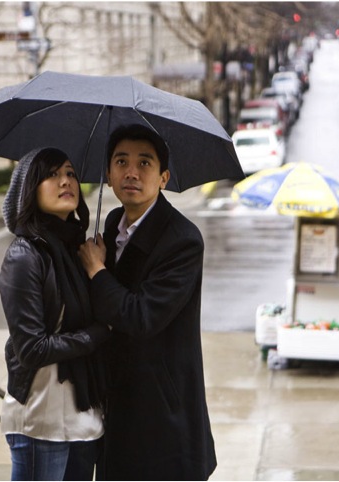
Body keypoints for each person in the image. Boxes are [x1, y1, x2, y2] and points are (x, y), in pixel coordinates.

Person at [78, 124, 217, 480]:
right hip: (118, 403)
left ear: (163, 177)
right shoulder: (111, 224)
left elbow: (141, 317)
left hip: (163, 415)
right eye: (121, 162)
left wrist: (97, 271)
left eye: (145, 163)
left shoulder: (182, 240)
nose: (132, 172)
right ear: (108, 175)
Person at [0, 147, 111, 481]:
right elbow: (32, 349)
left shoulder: (79, 252)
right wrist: (97, 333)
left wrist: (99, 270)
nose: (65, 181)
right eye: (51, 174)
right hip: (41, 421)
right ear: (28, 190)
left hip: (83, 419)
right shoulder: (25, 256)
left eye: (71, 173)